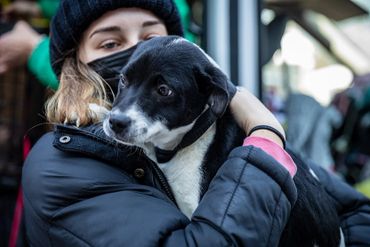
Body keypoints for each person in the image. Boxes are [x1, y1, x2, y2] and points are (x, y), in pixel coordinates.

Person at [22, 0, 370, 246]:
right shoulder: (60, 166)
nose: (136, 51)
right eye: (111, 42)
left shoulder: (218, 129)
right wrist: (264, 136)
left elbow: (355, 209)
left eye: (149, 39)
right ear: (75, 64)